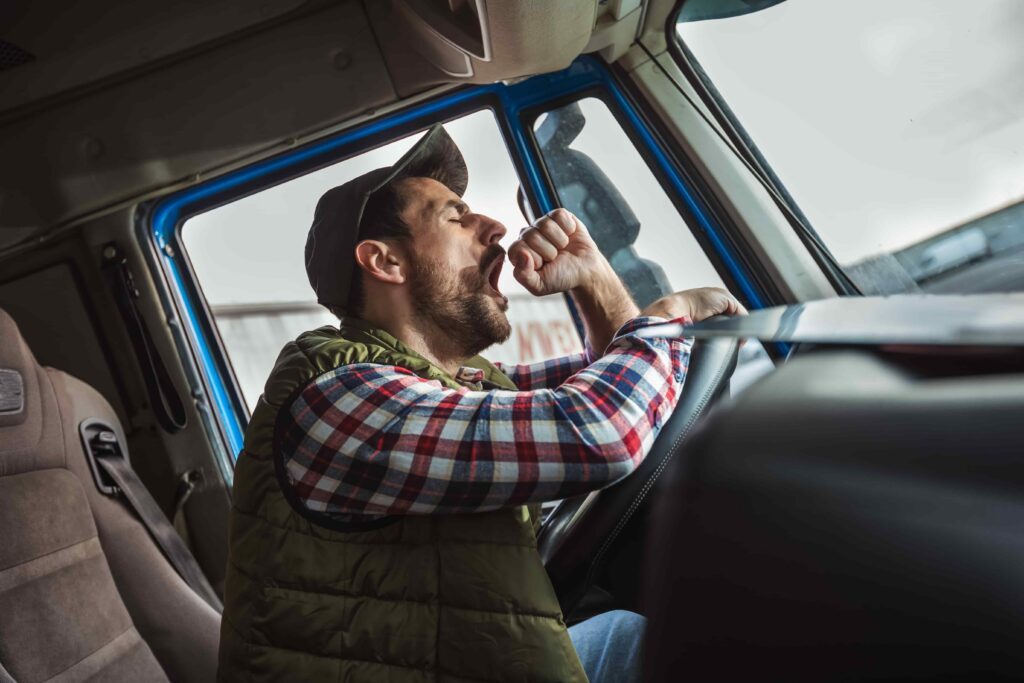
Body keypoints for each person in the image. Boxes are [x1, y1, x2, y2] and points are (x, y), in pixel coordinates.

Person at [218, 124, 745, 683]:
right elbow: (600, 432)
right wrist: (667, 315)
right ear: (386, 262)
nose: (494, 226)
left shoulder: (453, 383)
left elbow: (616, 380)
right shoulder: (339, 399)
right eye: (455, 217)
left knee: (645, 636)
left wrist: (593, 278)